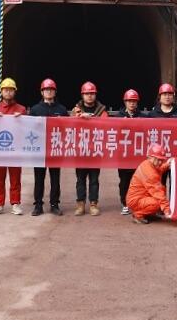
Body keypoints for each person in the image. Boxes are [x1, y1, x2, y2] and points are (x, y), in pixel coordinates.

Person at [29, 78, 68, 216]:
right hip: (39, 150)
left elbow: (68, 128)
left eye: (51, 89)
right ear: (42, 92)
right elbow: (28, 129)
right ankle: (38, 205)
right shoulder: (35, 109)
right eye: (46, 90)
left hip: (55, 149)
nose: (49, 92)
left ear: (55, 92)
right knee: (39, 179)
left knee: (55, 179)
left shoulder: (62, 109)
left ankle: (54, 204)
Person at [0, 77, 27, 216]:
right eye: (6, 90)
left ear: (14, 92)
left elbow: (26, 129)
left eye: (11, 90)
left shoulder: (21, 109)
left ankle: (15, 203)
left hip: (15, 150)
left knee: (15, 179)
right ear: (1, 91)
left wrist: (21, 120)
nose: (8, 92)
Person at [71, 81, 109, 216]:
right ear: (82, 95)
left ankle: (93, 204)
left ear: (95, 95)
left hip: (95, 150)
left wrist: (91, 119)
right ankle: (80, 204)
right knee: (80, 179)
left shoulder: (102, 111)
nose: (89, 96)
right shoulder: (76, 110)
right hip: (81, 150)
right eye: (87, 93)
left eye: (92, 93)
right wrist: (79, 117)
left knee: (94, 180)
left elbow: (106, 125)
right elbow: (69, 125)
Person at [126, 144, 172, 224]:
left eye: (161, 160)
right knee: (159, 202)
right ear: (151, 157)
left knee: (161, 194)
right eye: (158, 159)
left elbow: (158, 169)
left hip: (138, 198)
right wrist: (167, 210)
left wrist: (167, 165)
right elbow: (158, 192)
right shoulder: (150, 173)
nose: (160, 162)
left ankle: (149, 214)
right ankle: (138, 215)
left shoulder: (148, 164)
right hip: (136, 201)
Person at [115, 89, 144, 215]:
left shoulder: (143, 117)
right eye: (129, 101)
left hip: (138, 154)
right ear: (125, 102)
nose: (132, 103)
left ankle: (136, 202)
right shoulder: (118, 117)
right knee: (124, 180)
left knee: (138, 179)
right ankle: (125, 203)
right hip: (124, 154)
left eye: (134, 101)